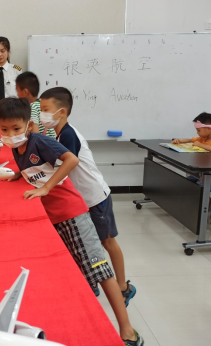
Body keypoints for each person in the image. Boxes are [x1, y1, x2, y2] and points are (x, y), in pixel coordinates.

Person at [0, 98, 143, 346]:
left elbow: (71, 160)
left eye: (16, 129)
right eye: (4, 129)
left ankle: (128, 331)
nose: (10, 135)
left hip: (71, 214)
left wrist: (46, 188)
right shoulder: (17, 147)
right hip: (53, 217)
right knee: (74, 271)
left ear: (29, 125)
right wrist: (17, 174)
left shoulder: (39, 141)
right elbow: (34, 166)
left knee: (100, 269)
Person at [39, 87, 136, 307]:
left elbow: (64, 164)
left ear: (62, 112)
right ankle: (92, 282)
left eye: (46, 109)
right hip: (81, 200)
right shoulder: (60, 133)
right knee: (86, 243)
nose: (42, 114)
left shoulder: (69, 134)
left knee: (107, 241)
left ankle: (123, 287)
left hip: (95, 198)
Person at [173, 112, 211, 215]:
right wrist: (179, 141)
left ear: (208, 128)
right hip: (201, 172)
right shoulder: (203, 138)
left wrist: (199, 144)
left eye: (198, 130)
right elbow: (191, 140)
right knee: (187, 185)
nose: (197, 133)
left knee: (199, 191)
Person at [15, 71, 56, 139]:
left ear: (25, 92)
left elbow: (35, 134)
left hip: (44, 143)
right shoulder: (42, 103)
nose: (17, 95)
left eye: (17, 91)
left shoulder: (32, 107)